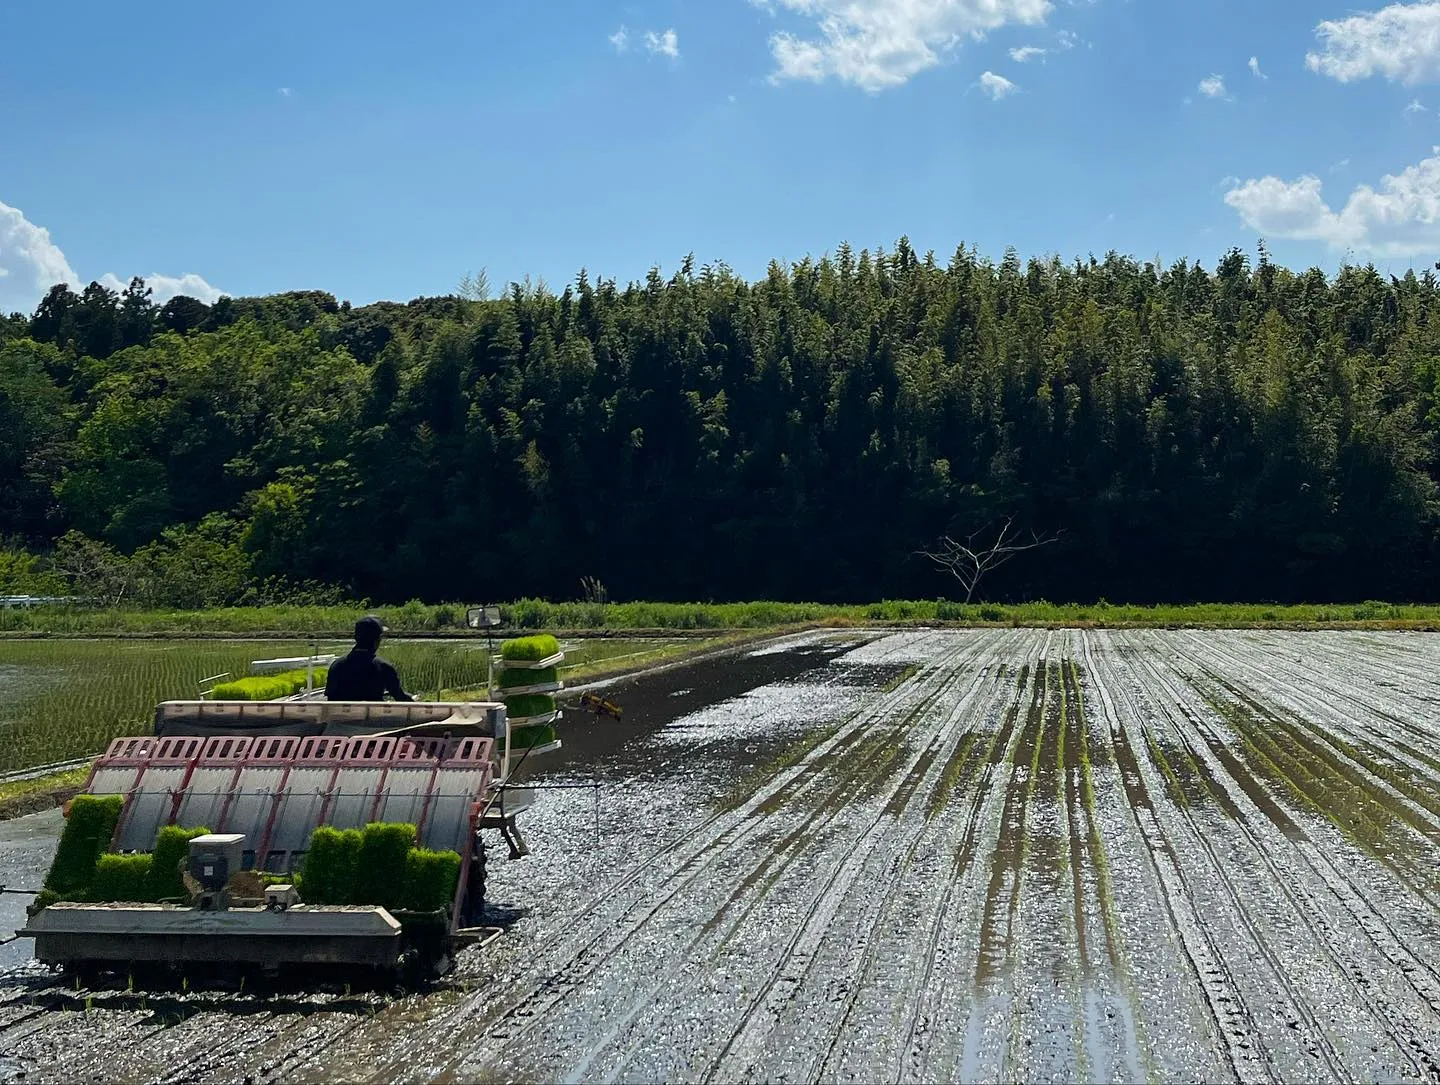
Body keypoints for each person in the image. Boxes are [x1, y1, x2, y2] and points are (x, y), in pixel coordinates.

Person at [325, 615, 414, 702]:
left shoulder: (337, 666)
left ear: (356, 638)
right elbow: (400, 697)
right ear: (377, 641)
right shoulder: (384, 667)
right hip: (373, 716)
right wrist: (414, 700)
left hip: (339, 716)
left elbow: (331, 698)